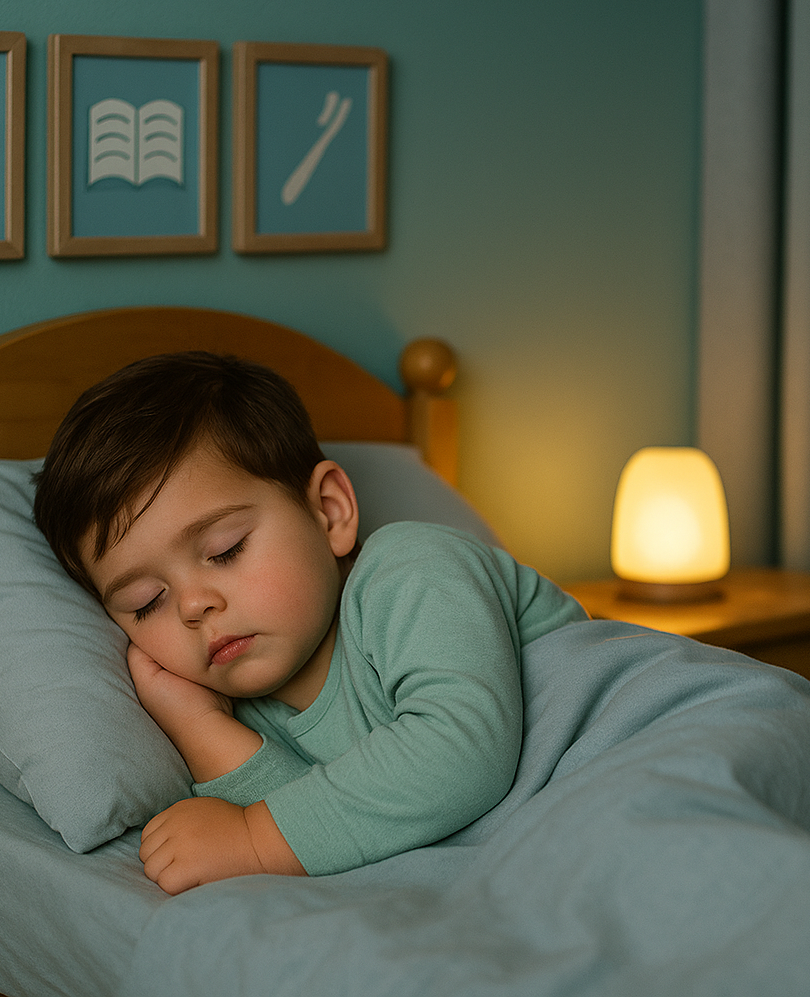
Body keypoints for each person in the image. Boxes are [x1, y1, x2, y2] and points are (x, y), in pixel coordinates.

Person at [32, 351, 587, 893]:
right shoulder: (247, 711)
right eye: (147, 601)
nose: (191, 606)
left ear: (330, 511)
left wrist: (251, 838)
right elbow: (352, 839)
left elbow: (463, 751)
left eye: (225, 550)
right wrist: (200, 728)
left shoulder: (411, 569)